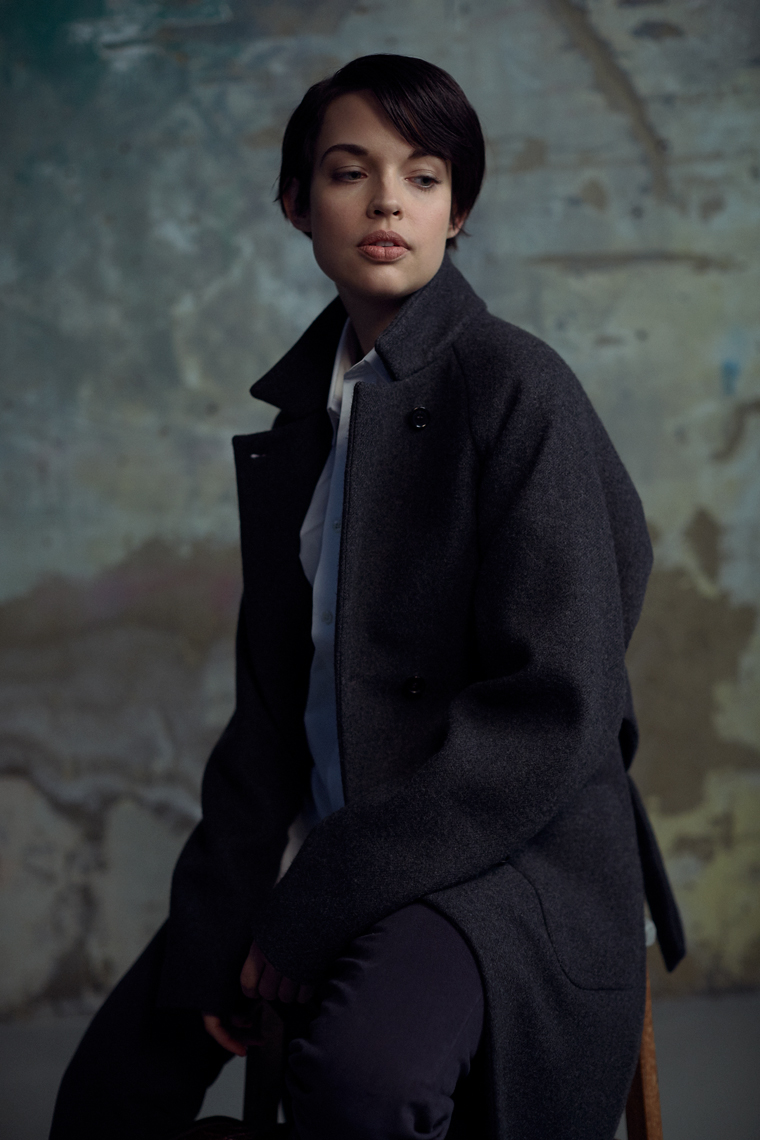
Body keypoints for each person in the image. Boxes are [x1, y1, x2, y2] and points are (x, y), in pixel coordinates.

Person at [50, 54, 684, 1140]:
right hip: (341, 842)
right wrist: (219, 927)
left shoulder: (518, 385)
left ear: (457, 211)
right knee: (109, 1094)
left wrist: (321, 896)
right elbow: (269, 719)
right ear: (298, 204)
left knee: (360, 1084)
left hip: (507, 855)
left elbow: (558, 705)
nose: (389, 201)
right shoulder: (304, 425)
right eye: (351, 173)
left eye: (423, 177)